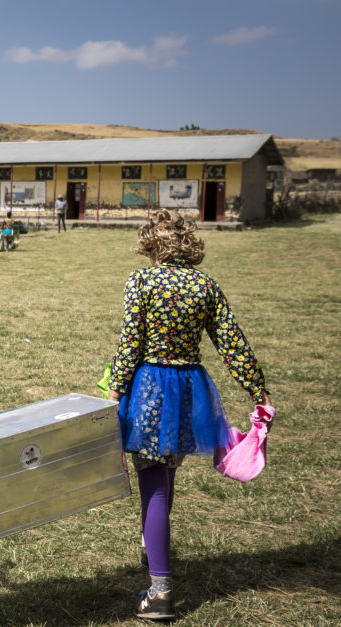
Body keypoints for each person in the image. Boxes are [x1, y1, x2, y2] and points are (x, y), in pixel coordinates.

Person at [106, 210, 270, 621]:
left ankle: (160, 591)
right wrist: (258, 389)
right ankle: (152, 544)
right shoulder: (205, 285)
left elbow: (130, 342)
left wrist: (113, 391)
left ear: (151, 243)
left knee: (153, 484)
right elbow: (232, 343)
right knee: (167, 472)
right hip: (190, 390)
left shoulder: (142, 281)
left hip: (149, 388)